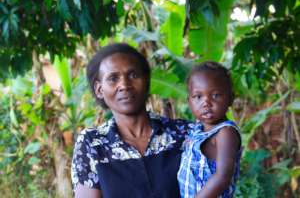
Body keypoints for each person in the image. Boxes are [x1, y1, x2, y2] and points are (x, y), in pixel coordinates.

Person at [71, 43, 192, 198]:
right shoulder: (92, 144)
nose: (124, 85)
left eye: (133, 75)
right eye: (113, 78)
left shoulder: (182, 133)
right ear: (99, 89)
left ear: (147, 81)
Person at [177, 61, 242, 198]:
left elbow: (222, 177)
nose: (206, 103)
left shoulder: (225, 133)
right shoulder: (197, 129)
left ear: (230, 99)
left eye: (216, 95)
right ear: (189, 101)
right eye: (198, 97)